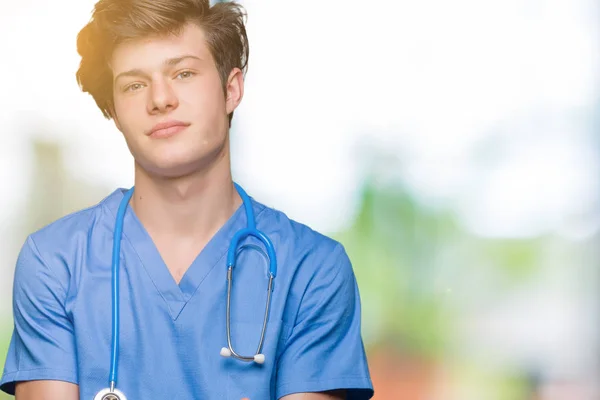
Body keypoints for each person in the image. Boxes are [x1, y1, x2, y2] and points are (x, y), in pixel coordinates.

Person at [0, 0, 374, 399]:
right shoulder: (55, 262)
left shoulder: (312, 270)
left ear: (232, 90)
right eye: (134, 84)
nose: (160, 99)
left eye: (183, 73)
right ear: (112, 109)